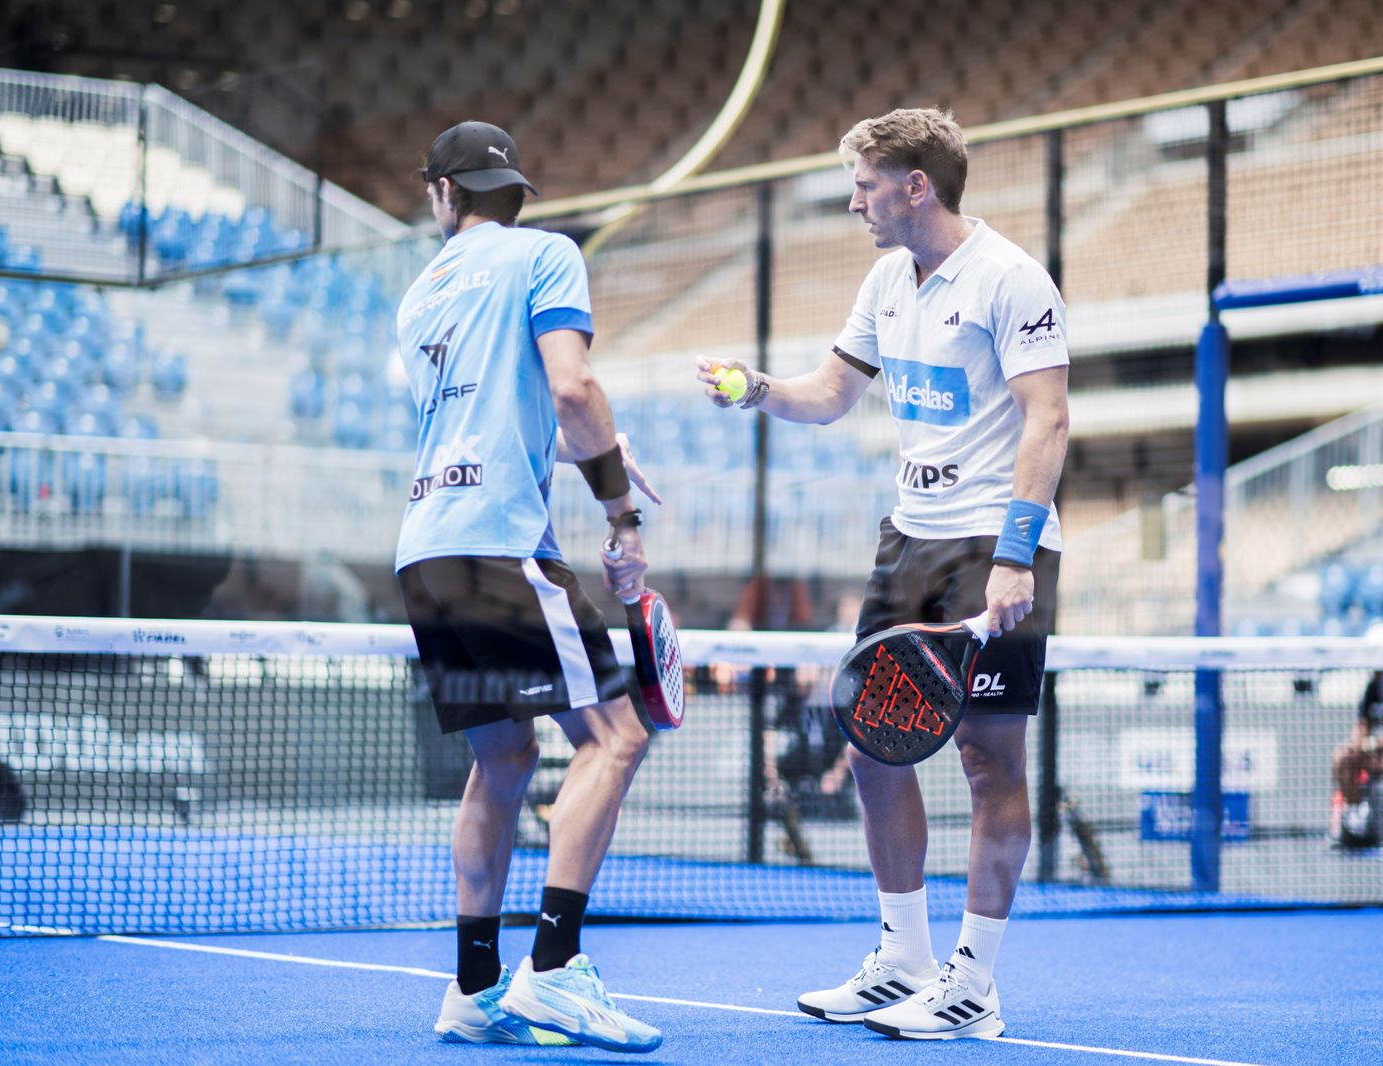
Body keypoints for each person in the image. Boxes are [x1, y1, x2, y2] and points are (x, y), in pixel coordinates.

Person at [697, 107, 1069, 1040]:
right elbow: (831, 393)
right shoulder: (885, 280)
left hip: (993, 543)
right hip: (909, 541)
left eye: (865, 185)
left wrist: (1016, 555)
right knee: (870, 746)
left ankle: (973, 983)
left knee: (989, 760)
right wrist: (756, 389)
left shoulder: (1011, 278)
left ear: (916, 186)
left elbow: (1049, 417)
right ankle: (903, 958)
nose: (854, 201)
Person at [395, 120, 663, 1053]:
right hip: (502, 544)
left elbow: (497, 412)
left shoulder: (417, 300)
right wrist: (621, 513)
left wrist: (601, 447)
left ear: (443, 193)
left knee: (504, 760)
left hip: (426, 549)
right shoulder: (546, 255)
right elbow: (572, 389)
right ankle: (552, 970)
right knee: (615, 736)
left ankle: (473, 990)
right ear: (514, 195)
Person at [1331, 670, 1383, 847]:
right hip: (1376, 751)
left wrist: (1372, 744)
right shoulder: (1373, 687)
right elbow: (1361, 726)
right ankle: (1356, 813)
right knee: (1343, 756)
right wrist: (1356, 744)